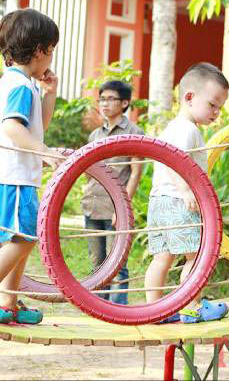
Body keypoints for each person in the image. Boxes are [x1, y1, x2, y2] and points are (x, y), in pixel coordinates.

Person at [0, 8, 61, 324]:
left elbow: (36, 126)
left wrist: (49, 94)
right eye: (51, 50)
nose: (51, 57)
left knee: (20, 240)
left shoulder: (20, 83)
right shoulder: (19, 86)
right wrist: (44, 152)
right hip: (13, 176)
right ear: (40, 50)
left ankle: (8, 301)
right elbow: (13, 127)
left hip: (16, 175)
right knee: (23, 239)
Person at [144, 62, 229, 324]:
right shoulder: (188, 129)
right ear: (190, 97)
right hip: (179, 202)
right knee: (196, 257)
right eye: (212, 105)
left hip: (159, 202)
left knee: (162, 258)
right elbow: (174, 160)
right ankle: (191, 307)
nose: (216, 112)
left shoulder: (174, 127)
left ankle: (154, 310)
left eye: (220, 107)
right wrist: (186, 191)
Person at [81, 80, 144, 304]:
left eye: (110, 99)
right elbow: (88, 169)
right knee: (97, 263)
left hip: (115, 207)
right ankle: (99, 307)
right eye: (102, 99)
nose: (104, 104)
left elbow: (136, 173)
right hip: (92, 204)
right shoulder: (95, 135)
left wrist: (123, 206)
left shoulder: (134, 132)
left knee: (117, 263)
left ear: (124, 103)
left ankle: (118, 310)